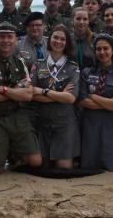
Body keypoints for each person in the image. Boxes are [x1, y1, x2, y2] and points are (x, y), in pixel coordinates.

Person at [0, 21, 42, 173]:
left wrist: (2, 89)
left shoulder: (20, 62)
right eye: (2, 37)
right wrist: (14, 92)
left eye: (10, 37)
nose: (6, 41)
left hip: (16, 115)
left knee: (36, 161)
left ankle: (12, 153)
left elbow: (27, 95)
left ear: (16, 40)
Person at [30, 25, 80, 169]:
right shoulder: (38, 64)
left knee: (63, 168)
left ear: (67, 43)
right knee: (42, 166)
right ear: (49, 39)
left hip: (64, 122)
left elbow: (71, 99)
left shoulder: (73, 67)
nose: (58, 41)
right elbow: (32, 93)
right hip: (42, 121)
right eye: (55, 37)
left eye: (63, 39)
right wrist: (60, 94)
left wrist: (43, 91)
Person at [79, 34, 113, 171]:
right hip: (90, 124)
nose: (102, 52)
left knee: (110, 166)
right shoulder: (86, 73)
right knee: (89, 166)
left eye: (105, 48)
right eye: (98, 49)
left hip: (111, 124)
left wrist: (93, 96)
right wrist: (109, 101)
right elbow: (82, 101)